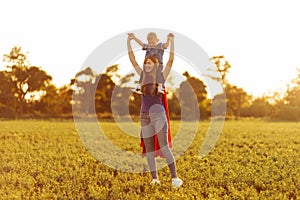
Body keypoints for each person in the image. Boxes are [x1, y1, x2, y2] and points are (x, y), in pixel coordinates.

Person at [127, 33, 183, 188]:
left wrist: (172, 42)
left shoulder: (161, 77)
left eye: (149, 63)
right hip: (145, 116)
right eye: (145, 63)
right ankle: (154, 179)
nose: (147, 65)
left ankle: (175, 178)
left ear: (156, 64)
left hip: (159, 115)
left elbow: (170, 60)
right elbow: (132, 59)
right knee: (149, 149)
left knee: (164, 146)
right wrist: (129, 41)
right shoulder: (142, 76)